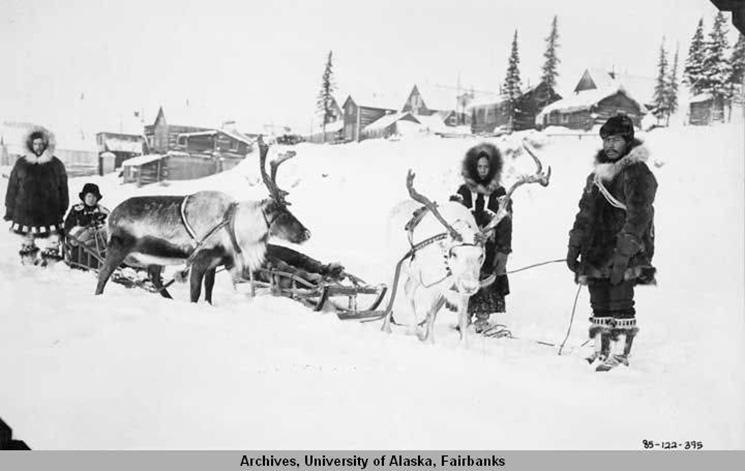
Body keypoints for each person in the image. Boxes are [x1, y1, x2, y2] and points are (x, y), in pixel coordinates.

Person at [566, 114, 657, 372]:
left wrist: (624, 252)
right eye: (606, 139)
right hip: (597, 249)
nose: (610, 145)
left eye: (616, 139)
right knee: (599, 301)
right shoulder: (596, 175)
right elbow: (584, 212)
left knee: (621, 301)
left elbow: (640, 215)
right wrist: (575, 245)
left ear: (627, 140)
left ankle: (619, 355)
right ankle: (601, 349)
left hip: (625, 249)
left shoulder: (637, 173)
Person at [451, 143, 512, 336]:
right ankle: (465, 314)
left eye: (486, 167)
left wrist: (500, 243)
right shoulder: (464, 190)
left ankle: (483, 317)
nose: (483, 171)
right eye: (479, 167)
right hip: (467, 245)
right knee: (467, 275)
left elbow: (506, 220)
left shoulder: (499, 192)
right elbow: (456, 215)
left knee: (487, 277)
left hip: (490, 245)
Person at [4, 126, 69, 266]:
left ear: (46, 144)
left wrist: (63, 207)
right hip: (25, 210)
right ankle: (28, 260)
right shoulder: (21, 163)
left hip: (50, 211)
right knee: (27, 237)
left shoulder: (56, 164)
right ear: (30, 144)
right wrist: (10, 208)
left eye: (41, 144)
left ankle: (51, 262)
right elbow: (12, 187)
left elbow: (63, 188)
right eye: (35, 143)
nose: (38, 147)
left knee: (53, 237)